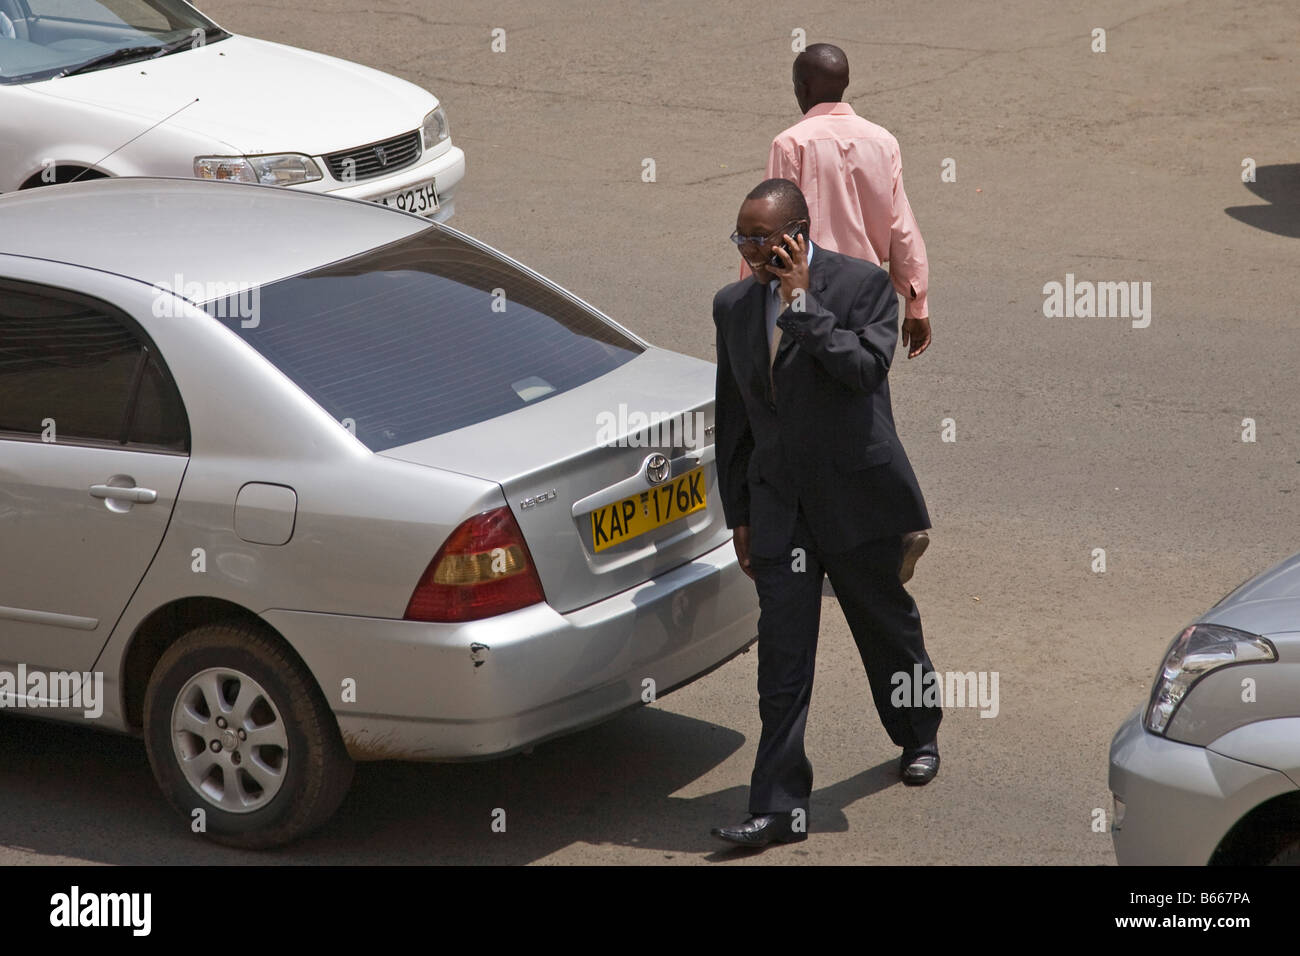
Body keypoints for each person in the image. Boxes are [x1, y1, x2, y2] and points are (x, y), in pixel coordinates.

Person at [710, 178, 942, 847]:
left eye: (764, 238)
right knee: (782, 662)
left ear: (799, 233)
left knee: (885, 630)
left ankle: (918, 732)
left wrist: (802, 304)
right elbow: (737, 420)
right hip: (781, 507)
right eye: (743, 238)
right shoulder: (731, 306)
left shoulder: (864, 286)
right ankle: (779, 806)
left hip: (856, 500)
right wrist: (741, 515)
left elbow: (865, 369)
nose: (753, 251)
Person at [746, 42, 934, 581]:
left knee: (807, 411)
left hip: (807, 288)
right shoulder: (883, 141)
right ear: (844, 85)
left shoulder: (792, 142)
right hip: (869, 294)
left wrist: (752, 304)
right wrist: (915, 298)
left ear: (801, 89)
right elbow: (900, 223)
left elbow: (771, 225)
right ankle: (893, 527)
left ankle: (839, 535)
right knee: (868, 410)